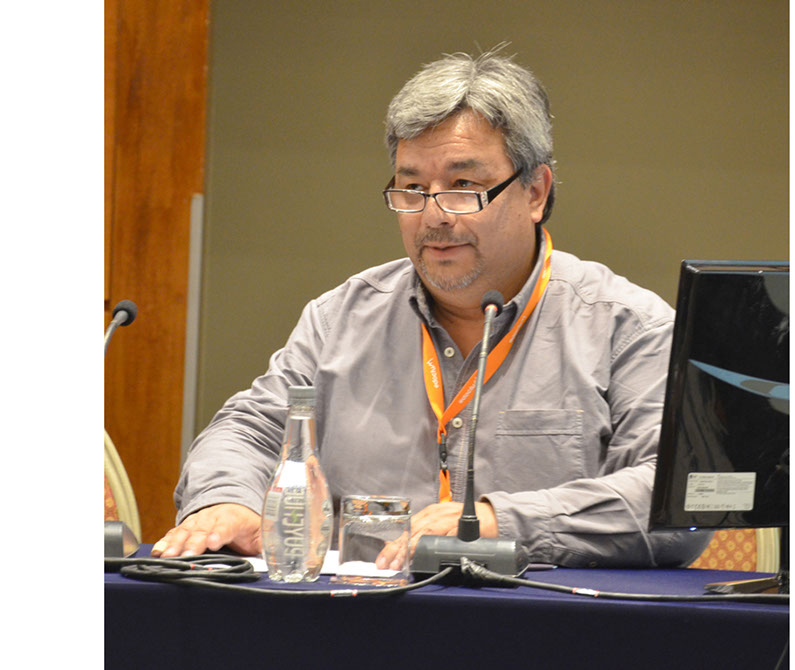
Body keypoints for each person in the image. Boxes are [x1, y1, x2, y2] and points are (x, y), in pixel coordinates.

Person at [153, 49, 710, 568]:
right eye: (413, 189)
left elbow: (681, 496)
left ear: (535, 192)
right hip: (366, 616)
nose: (434, 215)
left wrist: (496, 522)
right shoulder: (340, 319)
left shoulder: (626, 327)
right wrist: (227, 501)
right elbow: (250, 429)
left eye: (463, 185)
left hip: (545, 618)